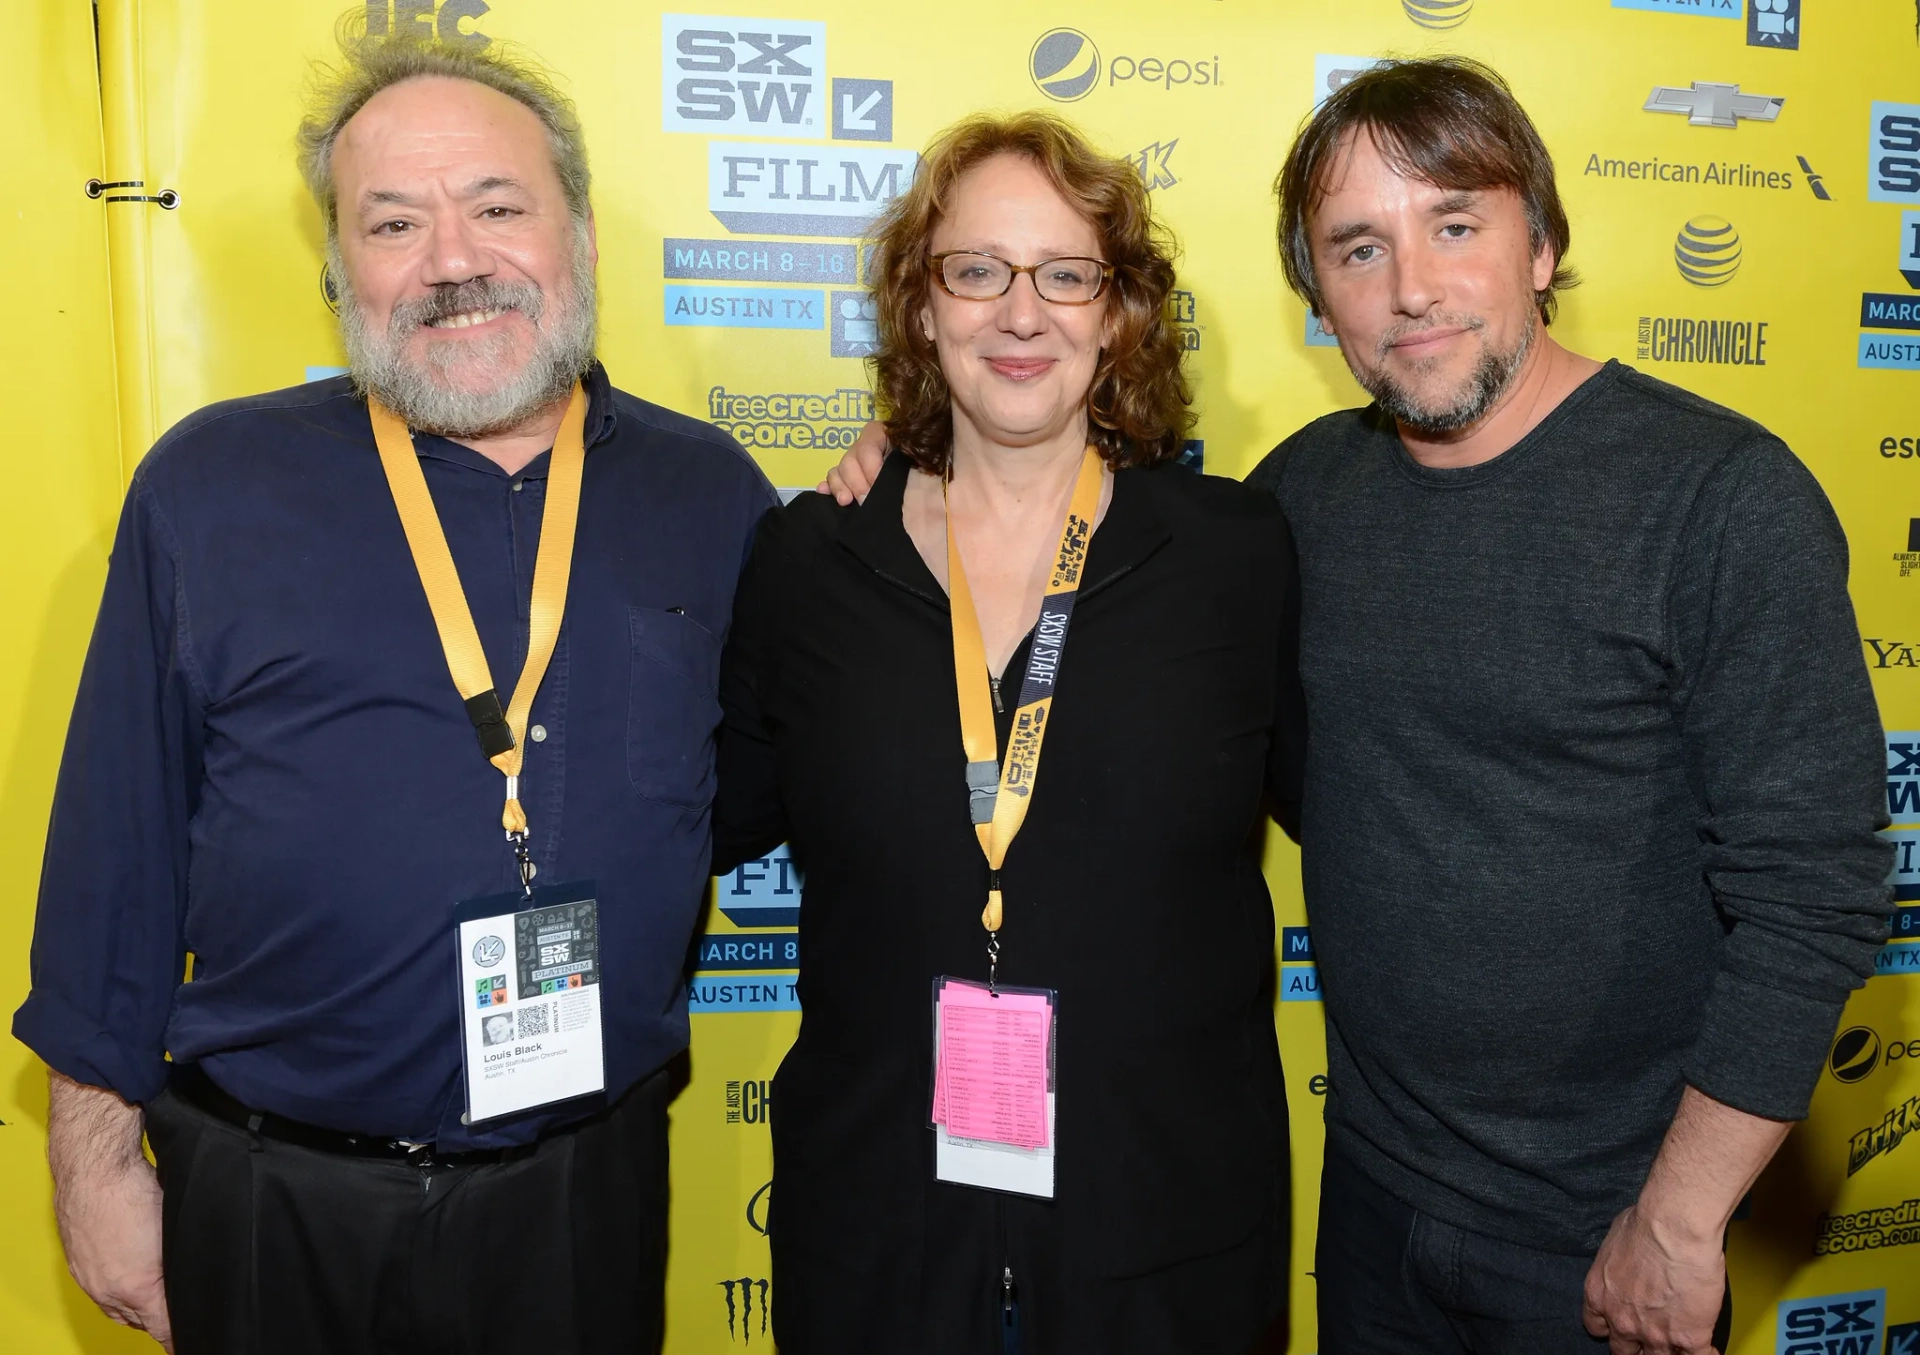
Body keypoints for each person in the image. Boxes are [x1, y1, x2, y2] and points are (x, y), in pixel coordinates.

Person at [825, 58, 1892, 1355]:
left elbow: (1816, 891)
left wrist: (1680, 1215)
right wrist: (916, 469)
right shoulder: (1296, 502)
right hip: (1370, 1201)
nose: (1413, 288)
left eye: (1456, 225)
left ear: (1543, 243)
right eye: (1359, 247)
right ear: (1315, 294)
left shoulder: (1721, 498)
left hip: (1608, 1222)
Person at [14, 29, 773, 1355]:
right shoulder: (212, 487)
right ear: (336, 270)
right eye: (393, 221)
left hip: (582, 1197)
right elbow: (115, 854)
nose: (455, 259)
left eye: (496, 206)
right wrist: (90, 1158)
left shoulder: (710, 497)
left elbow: (777, 780)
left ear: (580, 236)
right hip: (269, 1196)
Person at [714, 111, 1305, 1355]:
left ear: (1119, 309)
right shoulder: (811, 561)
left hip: (1163, 1242)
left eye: (1066, 274)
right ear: (921, 308)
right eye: (976, 270)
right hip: (879, 1239)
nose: (1020, 313)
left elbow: (1355, 808)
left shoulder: (1236, 554)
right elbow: (711, 811)